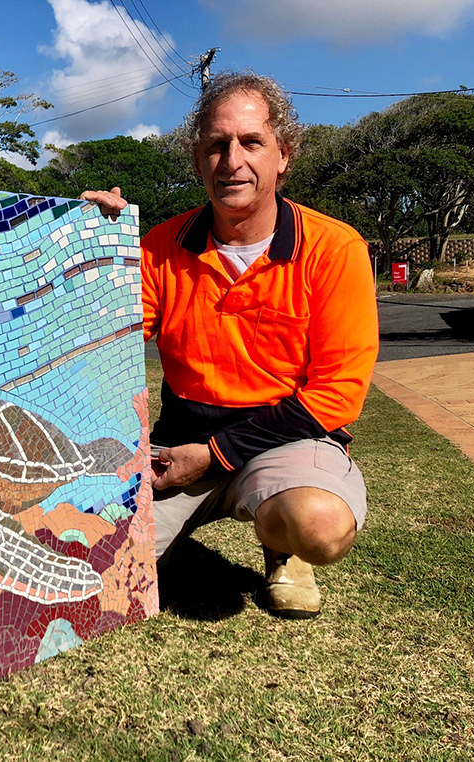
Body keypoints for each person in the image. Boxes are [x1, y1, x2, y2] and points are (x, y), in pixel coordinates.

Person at [82, 71, 379, 618]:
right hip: (181, 441)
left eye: (251, 142)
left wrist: (217, 455)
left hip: (287, 441)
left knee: (319, 523)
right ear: (197, 159)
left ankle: (285, 550)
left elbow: (337, 396)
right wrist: (96, 248)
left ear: (284, 155)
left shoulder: (335, 248)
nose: (232, 160)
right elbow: (103, 340)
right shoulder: (159, 246)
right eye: (216, 145)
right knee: (99, 577)